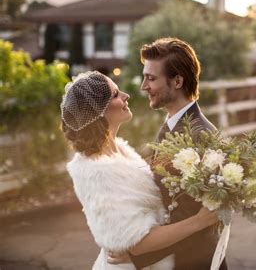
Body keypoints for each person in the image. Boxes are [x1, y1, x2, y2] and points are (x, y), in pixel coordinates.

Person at [61, 70, 218, 270]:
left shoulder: (118, 150)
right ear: (98, 110)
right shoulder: (97, 173)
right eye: (116, 94)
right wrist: (200, 220)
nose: (126, 96)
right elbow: (138, 244)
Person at [125, 38, 228, 270]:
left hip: (193, 262)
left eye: (151, 78)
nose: (143, 86)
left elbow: (201, 221)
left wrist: (137, 255)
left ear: (178, 81)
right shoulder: (173, 126)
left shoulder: (199, 135)